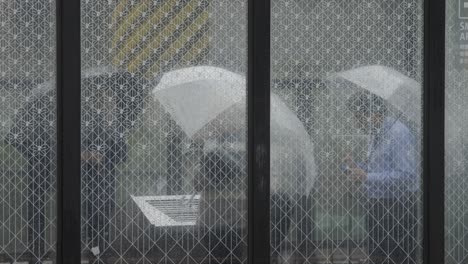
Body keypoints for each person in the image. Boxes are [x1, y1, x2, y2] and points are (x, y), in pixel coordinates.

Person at [345, 92, 419, 263]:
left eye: (359, 118)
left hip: (398, 208)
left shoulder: (398, 134)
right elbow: (376, 167)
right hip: (378, 207)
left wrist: (367, 176)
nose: (357, 123)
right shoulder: (375, 134)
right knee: (377, 256)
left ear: (374, 114)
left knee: (398, 258)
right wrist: (354, 167)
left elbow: (407, 176)